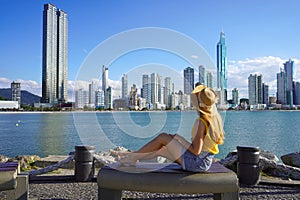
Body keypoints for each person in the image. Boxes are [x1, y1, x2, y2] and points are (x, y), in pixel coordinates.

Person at [111, 84, 225, 172]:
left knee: (163, 137)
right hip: (203, 163)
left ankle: (131, 157)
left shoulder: (202, 122)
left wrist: (179, 138)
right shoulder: (214, 119)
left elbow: (196, 151)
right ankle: (131, 157)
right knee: (161, 150)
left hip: (197, 163)